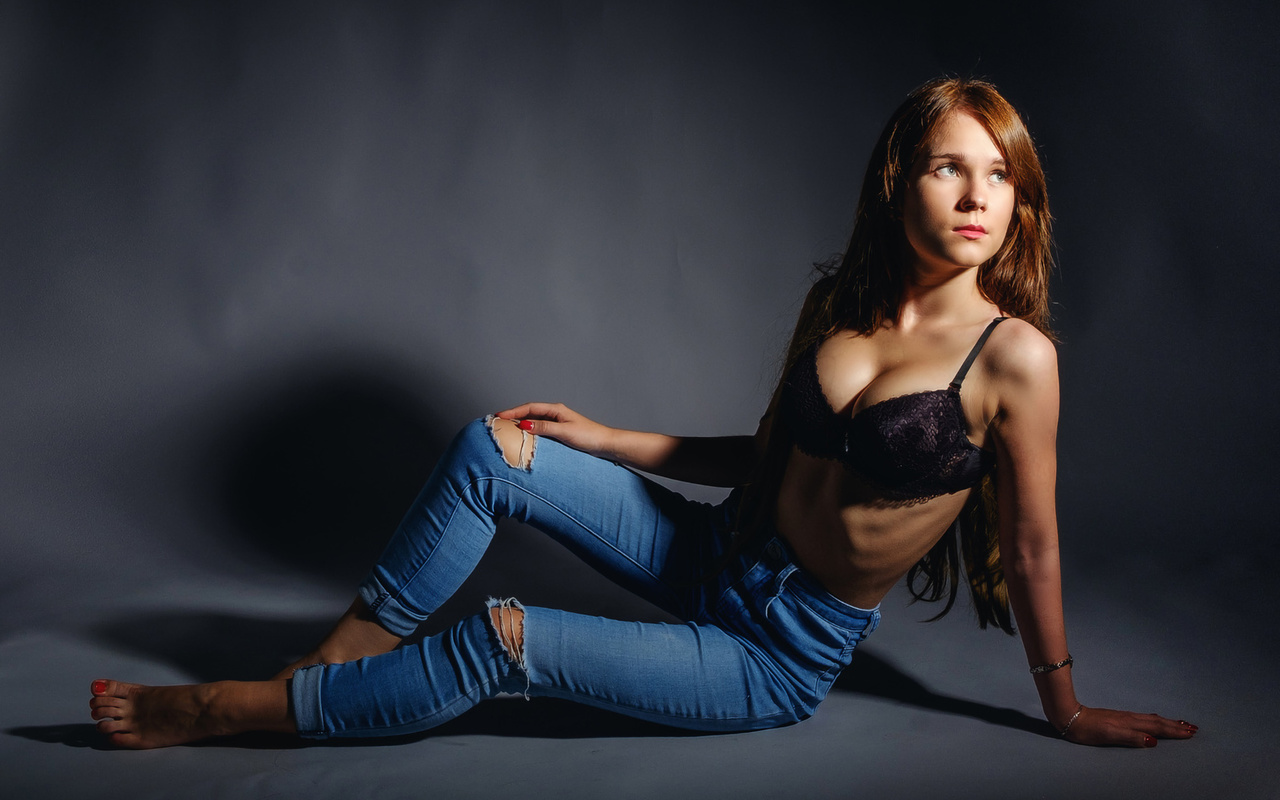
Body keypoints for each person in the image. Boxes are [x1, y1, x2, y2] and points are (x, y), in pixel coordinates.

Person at [88, 77, 1197, 749]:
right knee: (495, 445)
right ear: (896, 180)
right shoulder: (843, 308)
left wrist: (1063, 705)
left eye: (997, 176)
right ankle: (313, 676)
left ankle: (232, 711)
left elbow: (1032, 541)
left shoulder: (1013, 356)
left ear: (1020, 200)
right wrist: (608, 437)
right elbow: (768, 457)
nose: (973, 197)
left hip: (776, 646)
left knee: (499, 636)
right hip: (718, 550)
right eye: (948, 169)